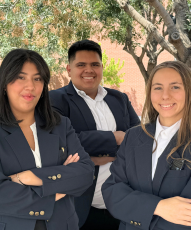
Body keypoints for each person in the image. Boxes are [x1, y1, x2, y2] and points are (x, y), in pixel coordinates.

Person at [0, 49, 95, 230]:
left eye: (37, 78)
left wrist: (30, 177)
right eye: (21, 77)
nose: (31, 86)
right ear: (4, 83)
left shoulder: (60, 124)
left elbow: (85, 173)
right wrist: (56, 187)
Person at [102, 61, 191, 230]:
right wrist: (159, 207)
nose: (165, 95)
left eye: (175, 87)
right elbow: (112, 193)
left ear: (189, 92)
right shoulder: (133, 136)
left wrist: (135, 209)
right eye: (158, 87)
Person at [49, 40, 140, 230]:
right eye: (81, 65)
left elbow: (138, 138)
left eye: (94, 64)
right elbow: (62, 141)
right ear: (68, 69)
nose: (88, 70)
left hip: (121, 203)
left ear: (101, 67)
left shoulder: (119, 98)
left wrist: (94, 153)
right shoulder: (55, 99)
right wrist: (115, 138)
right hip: (80, 207)